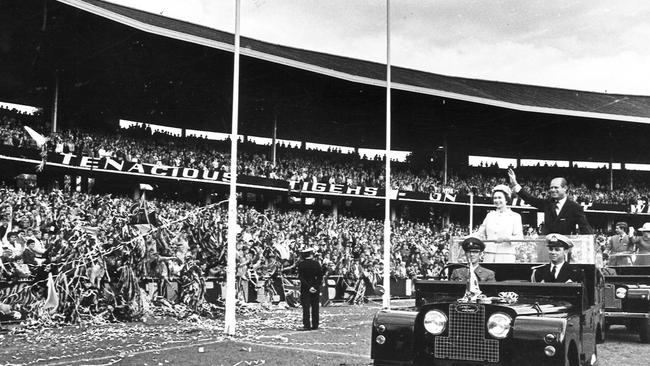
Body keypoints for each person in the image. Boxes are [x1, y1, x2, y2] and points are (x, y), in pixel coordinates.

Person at [508, 168, 594, 235]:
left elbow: (586, 229)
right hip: (545, 248)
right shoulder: (547, 204)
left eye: (556, 187)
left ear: (565, 188)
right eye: (551, 187)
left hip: (563, 250)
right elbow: (530, 199)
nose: (552, 190)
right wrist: (515, 184)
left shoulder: (575, 208)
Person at [471, 184, 523, 262]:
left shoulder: (515, 216)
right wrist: (466, 238)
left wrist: (506, 238)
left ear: (506, 199)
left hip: (506, 256)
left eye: (499, 198)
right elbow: (479, 234)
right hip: (489, 255)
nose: (497, 200)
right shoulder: (489, 215)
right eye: (495, 198)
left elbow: (519, 238)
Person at [297, 247, 323, 331]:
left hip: (305, 288)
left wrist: (309, 287)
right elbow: (320, 277)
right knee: (315, 307)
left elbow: (301, 278)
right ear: (311, 254)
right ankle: (315, 324)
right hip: (315, 287)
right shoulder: (317, 263)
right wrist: (315, 286)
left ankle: (307, 325)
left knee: (306, 307)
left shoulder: (301, 264)